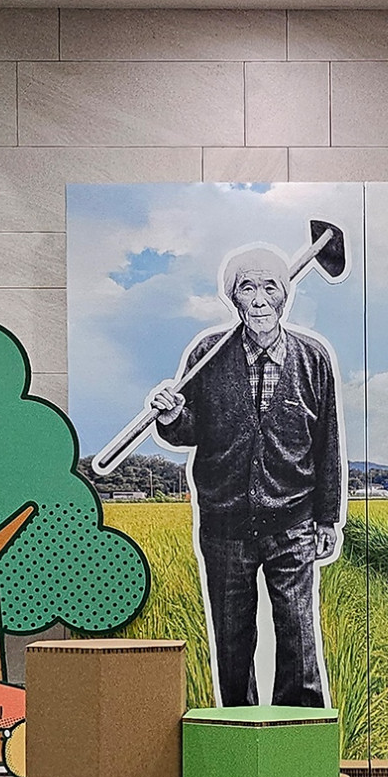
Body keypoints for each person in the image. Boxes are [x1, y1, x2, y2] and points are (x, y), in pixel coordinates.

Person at [149, 245, 344, 708]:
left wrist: (327, 519)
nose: (258, 299)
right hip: (225, 525)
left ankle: (300, 736)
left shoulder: (312, 359)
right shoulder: (208, 354)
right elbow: (190, 430)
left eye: (269, 288)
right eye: (247, 288)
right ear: (233, 298)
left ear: (285, 297)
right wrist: (172, 416)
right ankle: (238, 730)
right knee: (232, 642)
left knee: (298, 637)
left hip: (292, 524)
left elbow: (328, 444)